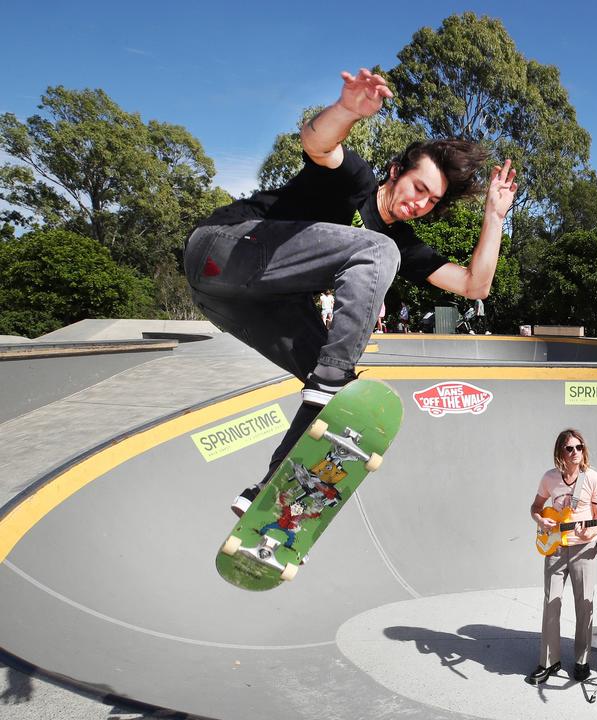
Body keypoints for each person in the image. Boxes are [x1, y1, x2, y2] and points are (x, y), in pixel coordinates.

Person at [184, 67, 517, 516]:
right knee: (376, 255)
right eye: (418, 187)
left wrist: (494, 216)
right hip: (225, 250)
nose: (420, 203)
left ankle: (269, 491)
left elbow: (474, 285)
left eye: (431, 201)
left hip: (235, 303)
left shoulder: (401, 245)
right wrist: (347, 110)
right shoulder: (356, 182)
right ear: (396, 172)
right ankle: (330, 380)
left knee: (344, 406)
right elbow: (319, 144)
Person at [527, 429, 597, 685]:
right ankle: (549, 661)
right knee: (552, 601)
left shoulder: (593, 479)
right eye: (569, 448)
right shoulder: (549, 478)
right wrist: (541, 519)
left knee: (584, 603)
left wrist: (589, 532)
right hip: (555, 547)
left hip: (583, 548)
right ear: (560, 451)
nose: (575, 453)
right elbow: (536, 507)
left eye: (579, 447)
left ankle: (582, 660)